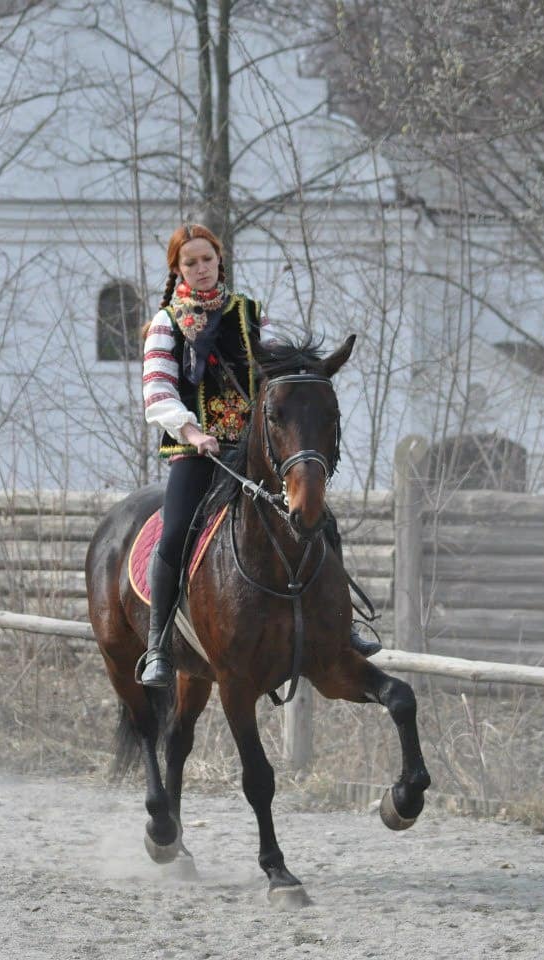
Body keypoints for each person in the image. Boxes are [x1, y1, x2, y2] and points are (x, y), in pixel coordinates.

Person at [138, 223, 378, 688]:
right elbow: (157, 391)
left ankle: (341, 623)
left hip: (253, 449)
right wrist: (192, 431)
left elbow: (275, 371)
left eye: (207, 259)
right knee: (175, 532)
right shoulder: (166, 323)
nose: (201, 268)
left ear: (219, 260)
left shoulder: (249, 313)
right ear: (178, 269)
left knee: (320, 518)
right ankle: (158, 645)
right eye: (191, 262)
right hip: (197, 451)